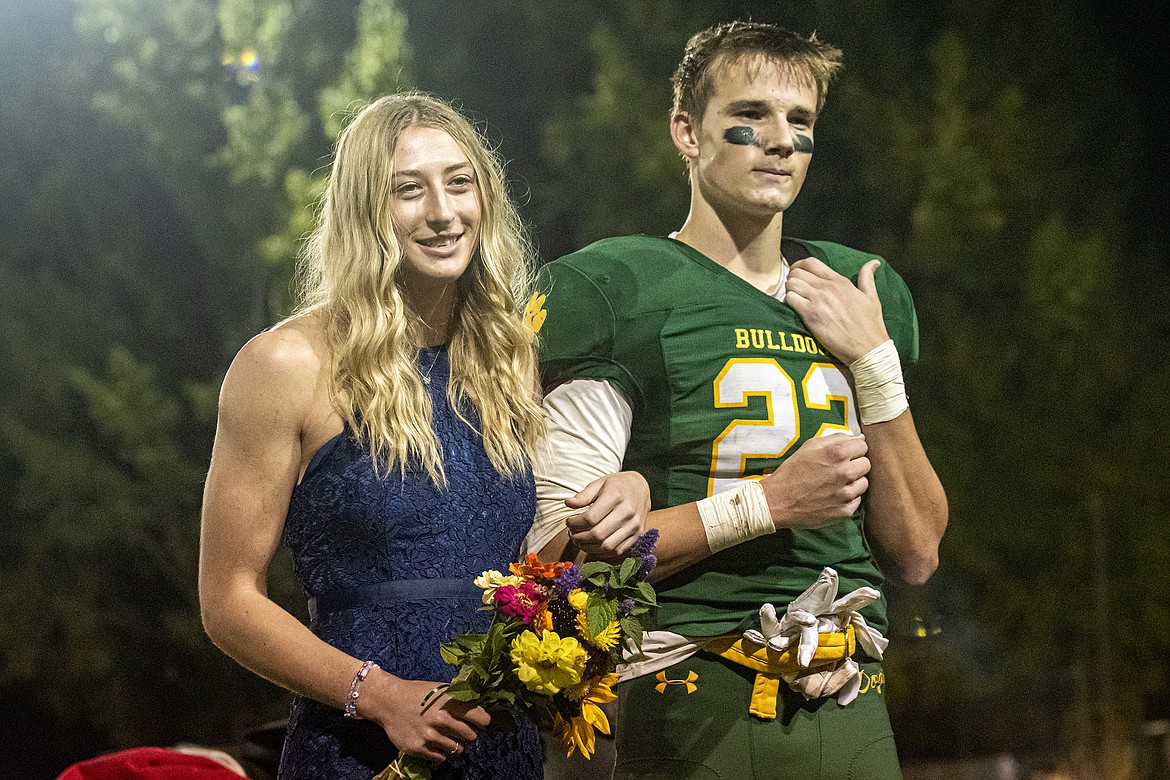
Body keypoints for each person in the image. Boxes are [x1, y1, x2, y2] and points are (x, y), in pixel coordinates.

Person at [525, 21, 948, 780]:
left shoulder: (855, 288)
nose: (780, 142)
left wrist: (876, 363)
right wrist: (769, 504)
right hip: (690, 686)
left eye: (802, 122)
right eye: (750, 116)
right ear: (686, 130)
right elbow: (554, 566)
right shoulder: (616, 288)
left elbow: (916, 550)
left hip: (851, 690)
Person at [198, 92, 647, 780]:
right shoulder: (285, 364)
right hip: (357, 752)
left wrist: (624, 496)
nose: (442, 211)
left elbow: (524, 572)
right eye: (408, 189)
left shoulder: (508, 355)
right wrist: (378, 697)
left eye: (459, 182)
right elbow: (228, 600)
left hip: (500, 748)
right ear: (362, 209)